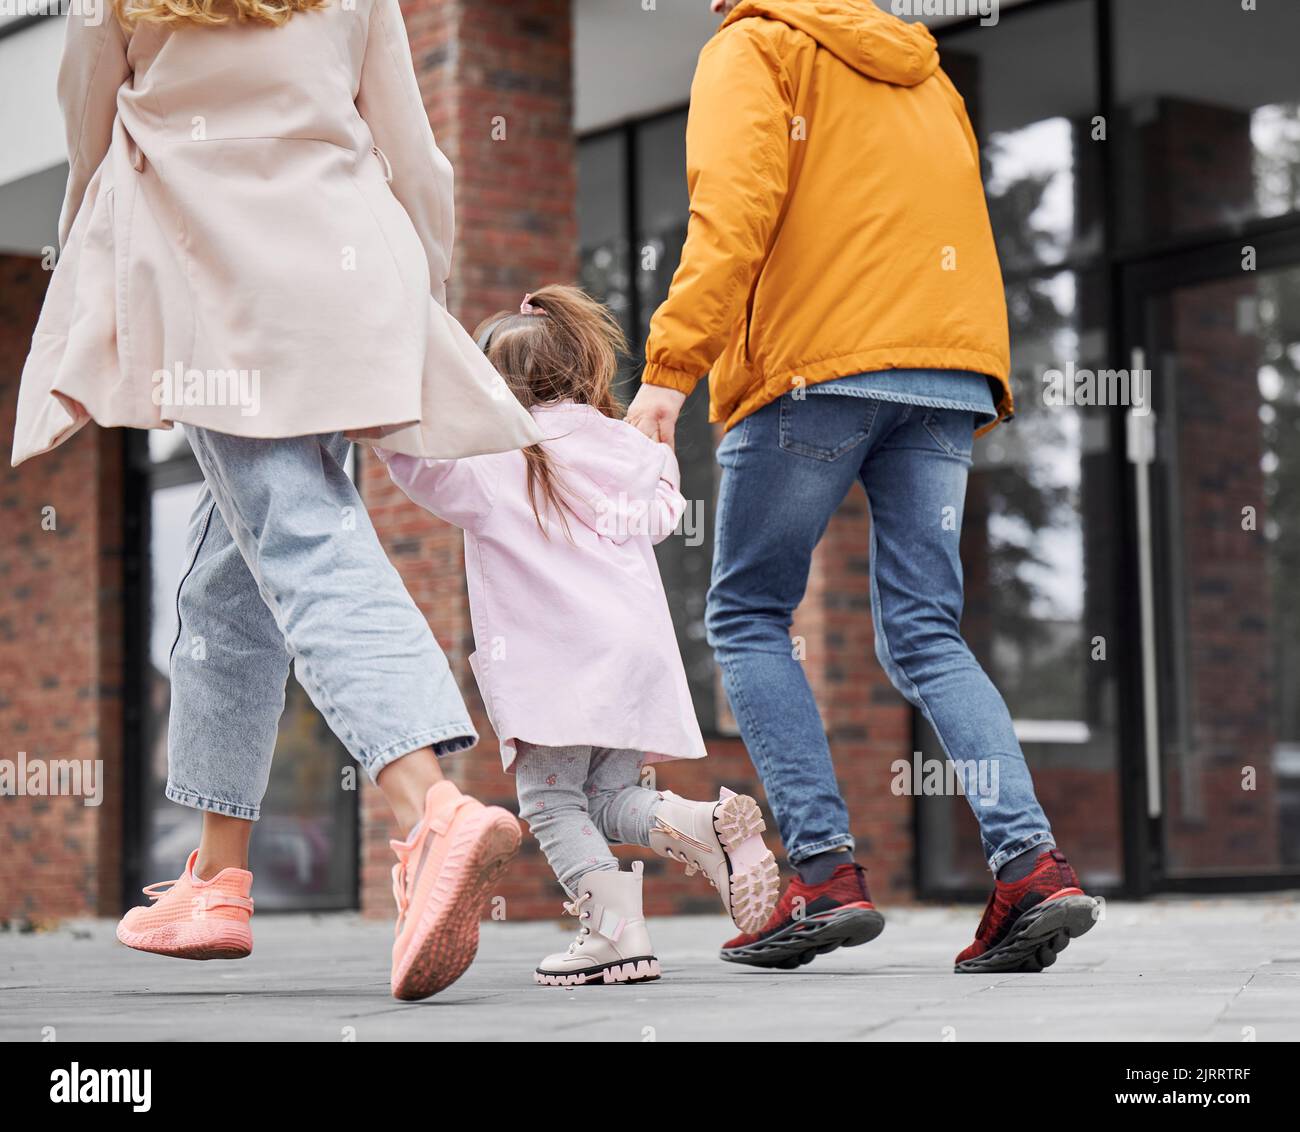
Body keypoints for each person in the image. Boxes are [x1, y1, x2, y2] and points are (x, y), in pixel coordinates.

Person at [14, 0, 544, 1000]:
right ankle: (215, 878)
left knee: (300, 536)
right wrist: (414, 293)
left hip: (211, 284)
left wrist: (83, 280)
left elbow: (88, 143)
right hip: (342, 287)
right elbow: (417, 156)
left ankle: (428, 808)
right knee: (233, 575)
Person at [627, 0, 1098, 973]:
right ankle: (1032, 869)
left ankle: (824, 876)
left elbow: (732, 215)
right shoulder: (921, 68)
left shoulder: (752, 46)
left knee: (750, 613)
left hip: (816, 371)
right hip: (945, 372)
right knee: (926, 629)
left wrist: (667, 375)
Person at [380, 285, 781, 985]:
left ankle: (614, 932)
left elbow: (421, 470)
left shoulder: (498, 458)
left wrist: (382, 418)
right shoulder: (628, 448)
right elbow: (662, 511)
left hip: (555, 666)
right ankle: (695, 822)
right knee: (603, 798)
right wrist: (659, 456)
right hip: (633, 661)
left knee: (550, 800)